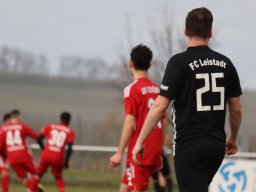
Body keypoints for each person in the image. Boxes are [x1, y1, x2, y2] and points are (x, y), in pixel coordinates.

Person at [132, 7, 242, 192]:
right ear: (210, 32)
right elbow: (236, 109)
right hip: (216, 147)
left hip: (189, 146)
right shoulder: (226, 63)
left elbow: (160, 106)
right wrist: (232, 137)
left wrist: (140, 141)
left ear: (185, 31)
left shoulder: (178, 63)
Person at [109, 44, 167, 192]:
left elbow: (130, 122)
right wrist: (160, 151)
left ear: (131, 64)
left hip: (139, 149)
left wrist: (119, 153)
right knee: (126, 185)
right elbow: (164, 121)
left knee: (137, 188)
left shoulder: (131, 89)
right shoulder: (158, 90)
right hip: (153, 149)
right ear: (149, 65)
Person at [0, 110, 42, 192]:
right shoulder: (21, 126)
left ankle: (33, 189)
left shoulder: (3, 129)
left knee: (23, 178)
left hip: (11, 157)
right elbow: (37, 137)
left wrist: (8, 156)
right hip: (20, 154)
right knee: (37, 173)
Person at [37, 112, 75, 192]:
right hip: (57, 156)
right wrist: (66, 162)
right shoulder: (70, 131)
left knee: (38, 175)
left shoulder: (50, 126)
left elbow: (39, 139)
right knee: (58, 177)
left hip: (46, 154)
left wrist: (44, 149)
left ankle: (30, 189)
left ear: (60, 118)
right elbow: (70, 148)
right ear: (69, 121)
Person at [0, 113, 11, 192]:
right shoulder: (3, 130)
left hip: (3, 155)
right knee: (5, 172)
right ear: (7, 120)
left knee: (5, 173)